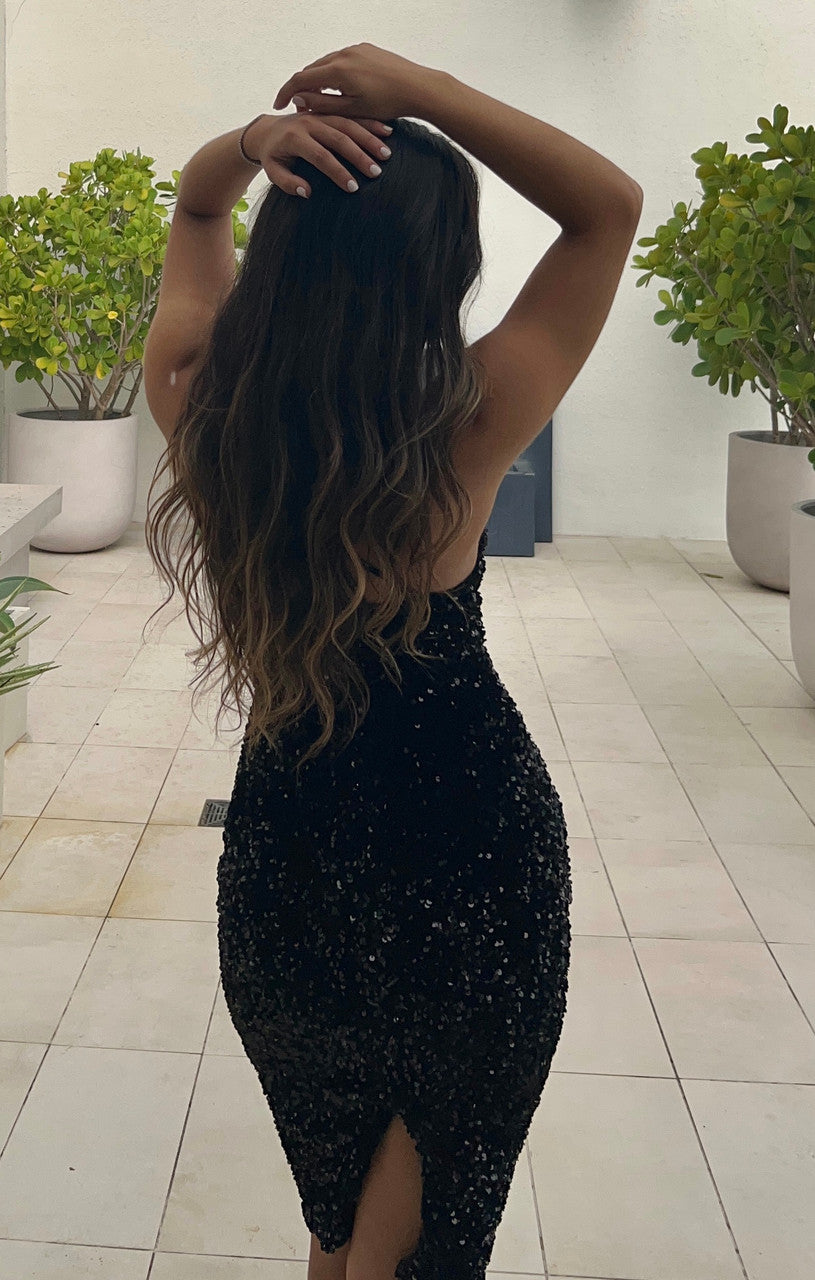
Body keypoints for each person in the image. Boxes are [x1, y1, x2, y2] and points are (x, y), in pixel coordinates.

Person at [142, 42, 643, 1280]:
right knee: (411, 1248)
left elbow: (196, 210)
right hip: (468, 870)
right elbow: (606, 207)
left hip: (287, 876)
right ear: (440, 270)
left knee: (341, 1228)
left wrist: (250, 146)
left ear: (283, 252)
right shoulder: (464, 424)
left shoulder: (198, 398)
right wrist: (417, 89)